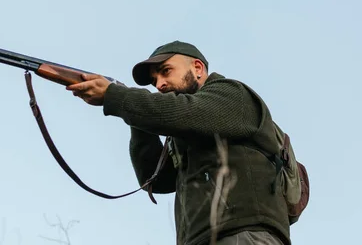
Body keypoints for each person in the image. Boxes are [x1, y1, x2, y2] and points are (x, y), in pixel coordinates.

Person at [66, 40, 291, 245]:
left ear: (197, 68)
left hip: (244, 234)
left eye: (166, 71)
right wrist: (135, 118)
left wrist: (117, 97)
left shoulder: (232, 94)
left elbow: (181, 112)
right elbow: (155, 179)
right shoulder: (185, 133)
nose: (159, 84)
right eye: (154, 81)